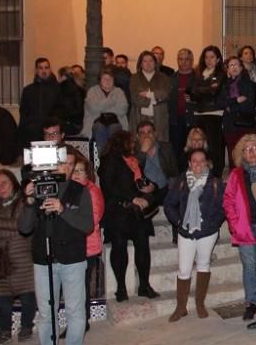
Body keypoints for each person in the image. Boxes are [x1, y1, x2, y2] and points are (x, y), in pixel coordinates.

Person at [19, 143, 93, 345]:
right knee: (46, 313)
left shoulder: (80, 192)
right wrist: (30, 202)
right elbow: (24, 227)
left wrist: (63, 210)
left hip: (72, 259)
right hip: (44, 260)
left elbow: (87, 225)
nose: (66, 168)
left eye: (70, 164)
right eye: (62, 163)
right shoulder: (39, 188)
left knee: (74, 310)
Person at [164, 148, 226, 321]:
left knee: (203, 265)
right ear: (189, 163)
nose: (198, 164)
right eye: (194, 161)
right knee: (184, 269)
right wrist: (178, 222)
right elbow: (169, 204)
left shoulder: (215, 182)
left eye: (201, 160)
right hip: (186, 231)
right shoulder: (181, 181)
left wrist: (213, 223)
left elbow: (223, 206)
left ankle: (200, 304)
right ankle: (181, 307)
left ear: (206, 162)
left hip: (207, 232)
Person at [99, 130, 159, 302]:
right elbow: (109, 186)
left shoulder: (133, 161)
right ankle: (121, 288)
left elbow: (141, 181)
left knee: (143, 246)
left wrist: (151, 187)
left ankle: (144, 286)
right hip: (118, 212)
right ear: (122, 143)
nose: (134, 145)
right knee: (119, 249)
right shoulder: (109, 160)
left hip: (135, 212)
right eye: (131, 142)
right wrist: (131, 197)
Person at [0, 169, 36, 345]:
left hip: (22, 259)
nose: (0, 187)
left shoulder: (23, 202)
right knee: (2, 298)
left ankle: (26, 326)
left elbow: (22, 226)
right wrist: (10, 229)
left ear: (13, 183)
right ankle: (4, 330)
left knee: (28, 296)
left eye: (4, 183)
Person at [223, 133, 256, 324]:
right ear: (241, 153)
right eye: (247, 149)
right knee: (250, 266)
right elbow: (228, 201)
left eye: (254, 148)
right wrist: (235, 224)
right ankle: (252, 301)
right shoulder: (236, 174)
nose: (251, 152)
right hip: (246, 227)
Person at [68, 150, 103, 333]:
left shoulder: (92, 191)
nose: (76, 174)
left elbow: (93, 217)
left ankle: (81, 322)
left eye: (80, 170)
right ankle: (77, 321)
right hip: (70, 246)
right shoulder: (67, 190)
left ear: (87, 173)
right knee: (73, 288)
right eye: (74, 170)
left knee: (81, 286)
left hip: (86, 246)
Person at [190, 46, 227, 177]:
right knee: (200, 146)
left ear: (218, 59)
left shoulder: (221, 74)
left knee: (214, 147)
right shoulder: (199, 73)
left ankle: (215, 175)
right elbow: (192, 92)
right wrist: (205, 89)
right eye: (206, 57)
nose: (208, 60)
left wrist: (201, 90)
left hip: (214, 114)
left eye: (212, 57)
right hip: (199, 113)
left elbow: (214, 91)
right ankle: (201, 173)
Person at [221, 56, 256, 164]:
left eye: (236, 64)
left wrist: (230, 106)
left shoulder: (249, 84)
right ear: (227, 69)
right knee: (232, 153)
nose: (234, 67)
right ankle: (235, 179)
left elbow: (248, 105)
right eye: (231, 65)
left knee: (247, 154)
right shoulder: (224, 85)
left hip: (245, 123)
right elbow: (220, 102)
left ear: (241, 68)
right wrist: (236, 100)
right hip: (229, 124)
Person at [83, 68, 129, 152]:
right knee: (99, 129)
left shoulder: (119, 91)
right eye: (104, 79)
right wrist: (112, 102)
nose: (107, 81)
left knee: (114, 130)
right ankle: (102, 160)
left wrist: (101, 106)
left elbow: (122, 109)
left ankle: (113, 157)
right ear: (100, 80)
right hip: (96, 122)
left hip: (116, 122)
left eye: (110, 79)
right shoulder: (92, 91)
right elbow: (94, 108)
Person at [129, 50, 171, 142]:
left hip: (159, 116)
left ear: (155, 63)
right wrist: (155, 98)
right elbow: (135, 98)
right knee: (139, 143)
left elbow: (165, 94)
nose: (148, 64)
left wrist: (148, 94)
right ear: (140, 64)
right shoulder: (134, 78)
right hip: (139, 116)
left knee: (159, 143)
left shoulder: (164, 78)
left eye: (151, 61)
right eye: (145, 61)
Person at [17, 57, 59, 148]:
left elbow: (61, 110)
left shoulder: (58, 89)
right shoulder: (28, 90)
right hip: (32, 133)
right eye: (41, 68)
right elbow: (23, 112)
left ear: (50, 69)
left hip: (51, 131)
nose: (44, 71)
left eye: (46, 67)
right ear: (36, 70)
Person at [135, 119, 178, 207]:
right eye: (142, 133)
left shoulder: (166, 148)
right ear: (138, 136)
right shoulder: (133, 151)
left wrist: (173, 188)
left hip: (164, 188)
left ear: (155, 134)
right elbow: (134, 171)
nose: (146, 136)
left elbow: (174, 172)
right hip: (145, 189)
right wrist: (143, 152)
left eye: (149, 132)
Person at [168, 48, 197, 168]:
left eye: (187, 59)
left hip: (193, 119)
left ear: (192, 61)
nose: (183, 62)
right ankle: (179, 179)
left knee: (193, 150)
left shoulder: (198, 78)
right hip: (175, 120)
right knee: (177, 151)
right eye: (180, 59)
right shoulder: (171, 78)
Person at [53, 64, 86, 135]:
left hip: (68, 124)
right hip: (79, 123)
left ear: (63, 76)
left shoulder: (62, 88)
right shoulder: (79, 87)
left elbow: (63, 109)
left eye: (58, 76)